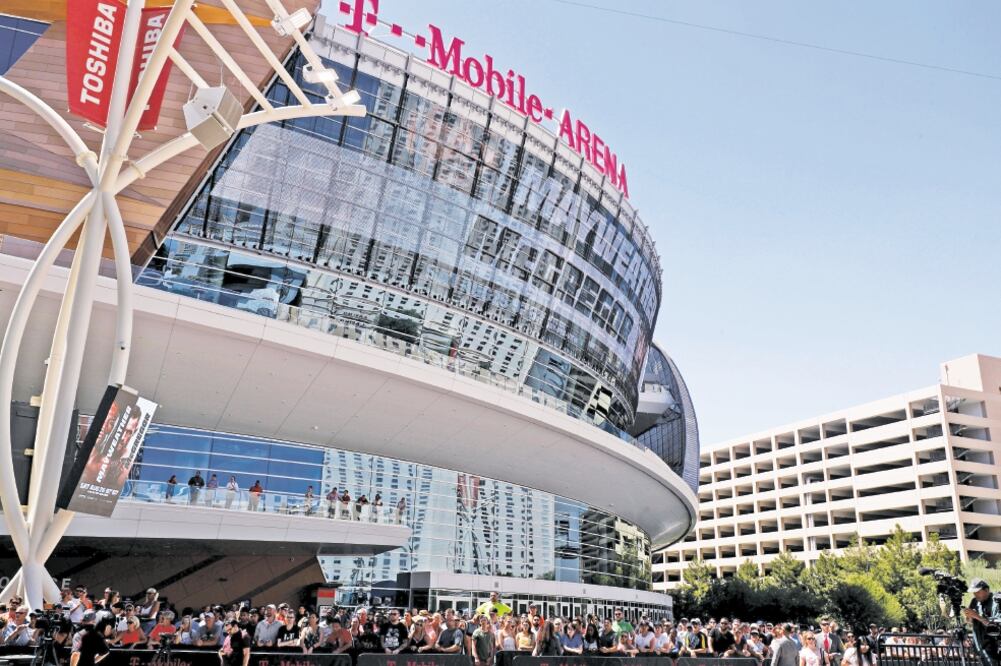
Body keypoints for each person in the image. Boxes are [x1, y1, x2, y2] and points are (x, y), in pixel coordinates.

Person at [965, 578, 1001, 666]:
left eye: (977, 592)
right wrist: (969, 616)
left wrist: (977, 616)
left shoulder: (996, 601)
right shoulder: (974, 601)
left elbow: (996, 627)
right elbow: (970, 622)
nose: (975, 594)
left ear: (986, 590)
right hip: (979, 646)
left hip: (993, 648)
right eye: (974, 592)